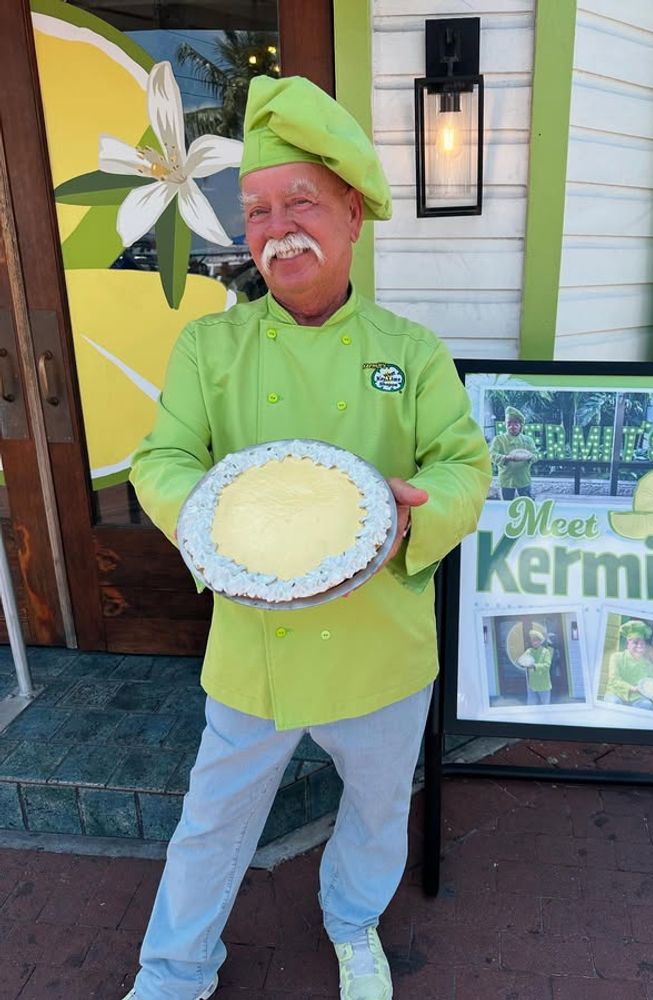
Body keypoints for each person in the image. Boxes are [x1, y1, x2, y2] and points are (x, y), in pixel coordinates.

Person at [123, 75, 491, 1000]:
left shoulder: (412, 353)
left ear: (354, 216)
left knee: (374, 810)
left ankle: (354, 924)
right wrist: (206, 520)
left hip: (380, 647)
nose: (277, 227)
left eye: (302, 203)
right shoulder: (213, 349)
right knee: (213, 816)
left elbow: (465, 468)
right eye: (255, 210)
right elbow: (159, 461)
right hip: (257, 645)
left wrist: (422, 508)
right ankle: (172, 972)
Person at [603, 619, 653, 709]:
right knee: (614, 703)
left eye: (642, 643)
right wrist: (632, 688)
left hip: (638, 698)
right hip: (616, 693)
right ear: (628, 643)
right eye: (635, 642)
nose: (639, 646)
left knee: (647, 705)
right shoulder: (616, 657)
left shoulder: (649, 665)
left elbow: (649, 685)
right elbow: (614, 680)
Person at [489, 405, 538, 499]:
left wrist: (529, 457)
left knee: (526, 504)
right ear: (505, 425)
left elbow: (536, 455)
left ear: (521, 425)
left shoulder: (528, 440)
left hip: (523, 479)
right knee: (506, 506)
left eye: (516, 423)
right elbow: (492, 455)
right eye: (509, 423)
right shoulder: (499, 440)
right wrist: (506, 458)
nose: (512, 426)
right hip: (506, 480)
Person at [515, 622, 553, 705]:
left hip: (544, 684)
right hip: (532, 685)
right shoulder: (529, 651)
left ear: (540, 641)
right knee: (531, 706)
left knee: (546, 706)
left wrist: (534, 666)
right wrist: (520, 662)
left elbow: (547, 665)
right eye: (533, 640)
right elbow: (522, 660)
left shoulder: (545, 652)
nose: (534, 642)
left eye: (536, 640)